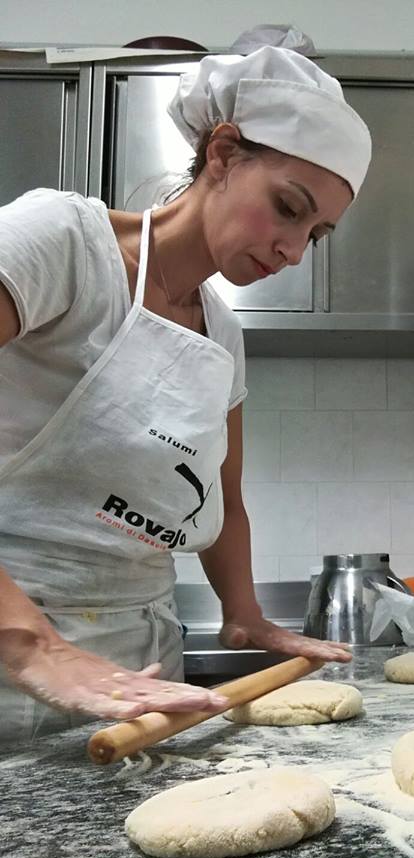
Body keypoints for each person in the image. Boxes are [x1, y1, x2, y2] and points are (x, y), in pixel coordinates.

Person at [0, 46, 372, 742]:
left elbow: (221, 497)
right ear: (224, 154)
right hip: (13, 643)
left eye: (315, 235)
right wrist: (32, 644)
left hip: (142, 662)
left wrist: (245, 612)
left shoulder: (222, 335)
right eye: (287, 209)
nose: (293, 249)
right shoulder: (61, 243)